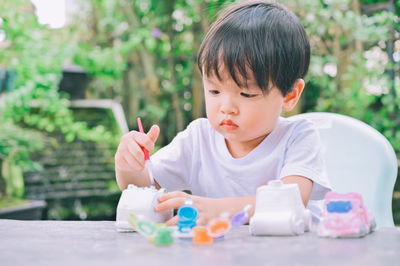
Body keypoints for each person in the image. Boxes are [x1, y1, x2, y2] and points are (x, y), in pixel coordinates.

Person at [115, 0, 331, 226]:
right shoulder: (199, 138)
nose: (226, 107)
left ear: (290, 95)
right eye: (215, 90)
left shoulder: (298, 137)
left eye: (247, 94)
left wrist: (217, 210)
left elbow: (290, 202)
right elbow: (146, 189)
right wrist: (130, 167)